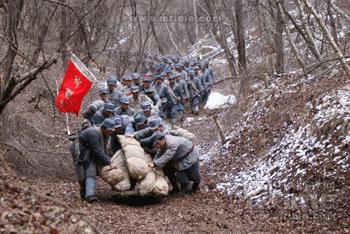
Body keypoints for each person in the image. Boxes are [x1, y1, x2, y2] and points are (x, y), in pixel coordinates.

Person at [77, 118, 116, 202]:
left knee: (87, 174)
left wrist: (107, 160)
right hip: (83, 152)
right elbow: (97, 150)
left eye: (112, 131)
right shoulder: (93, 133)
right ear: (103, 128)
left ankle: (85, 193)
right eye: (109, 130)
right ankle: (90, 196)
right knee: (89, 173)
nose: (111, 133)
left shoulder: (105, 135)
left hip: (91, 151)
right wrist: (108, 162)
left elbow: (103, 149)